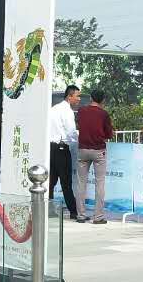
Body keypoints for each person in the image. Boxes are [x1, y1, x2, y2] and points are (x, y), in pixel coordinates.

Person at [75, 88, 114, 224]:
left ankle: (81, 215)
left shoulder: (81, 111)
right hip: (98, 151)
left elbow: (79, 125)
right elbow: (109, 134)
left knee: (81, 183)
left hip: (82, 150)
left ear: (91, 98)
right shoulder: (104, 114)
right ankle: (98, 217)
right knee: (100, 183)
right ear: (103, 100)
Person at [48, 85, 81, 220]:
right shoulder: (67, 111)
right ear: (69, 96)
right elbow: (71, 132)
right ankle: (74, 212)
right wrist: (78, 138)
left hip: (51, 148)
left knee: (51, 182)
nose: (79, 99)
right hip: (62, 148)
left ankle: (49, 210)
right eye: (77, 96)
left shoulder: (53, 109)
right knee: (66, 182)